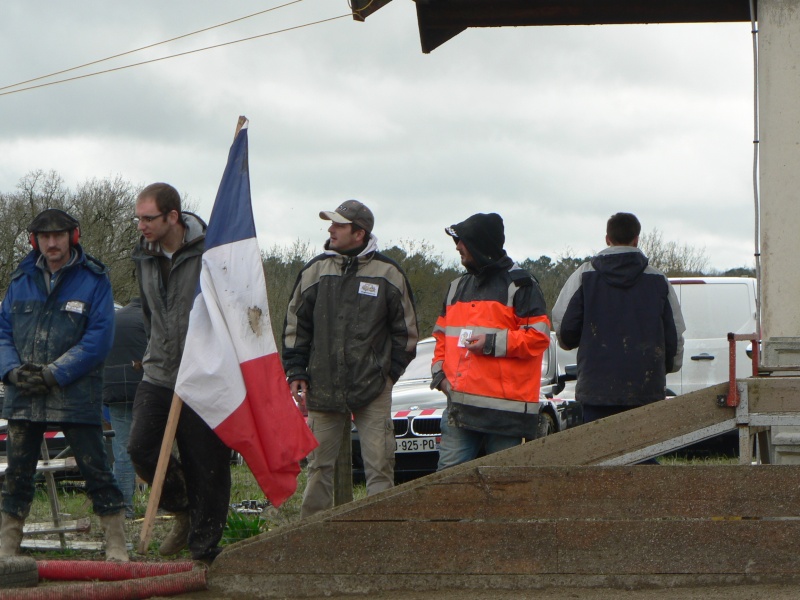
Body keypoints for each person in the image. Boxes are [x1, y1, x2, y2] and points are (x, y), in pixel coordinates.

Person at [0, 208, 128, 561]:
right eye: (44, 236)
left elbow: (99, 339)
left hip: (76, 394)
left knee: (95, 468)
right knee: (17, 475)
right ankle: (7, 546)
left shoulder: (94, 280)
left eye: (58, 236)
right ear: (34, 240)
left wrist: (55, 373)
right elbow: (2, 334)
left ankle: (116, 543)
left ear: (74, 237)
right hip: (23, 394)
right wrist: (11, 372)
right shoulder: (19, 279)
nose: (51, 243)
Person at [282, 199, 419, 519]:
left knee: (380, 465)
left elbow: (407, 334)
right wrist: (296, 370)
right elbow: (295, 328)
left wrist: (388, 375)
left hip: (373, 388)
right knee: (318, 468)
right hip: (323, 386)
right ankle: (312, 537)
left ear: (359, 233)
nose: (330, 229)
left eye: (338, 225)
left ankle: (377, 534)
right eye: (331, 224)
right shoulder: (315, 270)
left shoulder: (388, 273)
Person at [128, 183, 231, 563]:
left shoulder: (211, 251)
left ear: (173, 216)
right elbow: (148, 313)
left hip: (205, 371)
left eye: (148, 218)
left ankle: (204, 550)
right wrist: (153, 349)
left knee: (206, 462)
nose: (141, 226)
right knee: (140, 446)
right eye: (138, 218)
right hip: (159, 370)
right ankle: (182, 506)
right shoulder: (144, 255)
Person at [431, 213, 552, 471]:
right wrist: (439, 374)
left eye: (462, 241)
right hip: (460, 409)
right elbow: (442, 336)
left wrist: (489, 342)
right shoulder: (455, 286)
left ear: (479, 245)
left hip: (506, 416)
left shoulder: (522, 284)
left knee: (503, 489)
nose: (457, 246)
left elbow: (538, 338)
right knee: (446, 488)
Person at [552, 212, 686, 424]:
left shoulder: (583, 276)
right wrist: (663, 368)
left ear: (607, 239)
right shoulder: (659, 280)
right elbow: (674, 336)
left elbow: (566, 332)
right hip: (646, 389)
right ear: (636, 240)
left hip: (597, 392)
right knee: (644, 453)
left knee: (600, 454)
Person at [103, 297, 146, 519]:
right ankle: (168, 503)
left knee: (122, 449)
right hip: (146, 391)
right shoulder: (150, 319)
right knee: (155, 447)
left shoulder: (113, 319)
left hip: (115, 392)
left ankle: (123, 507)